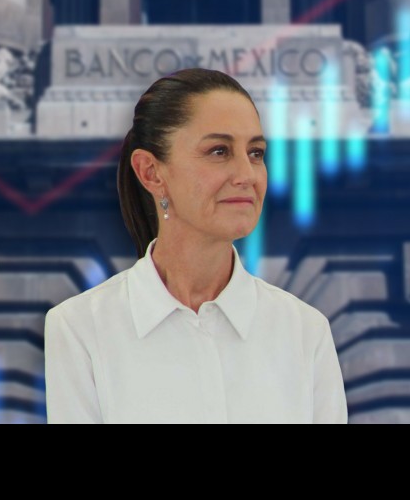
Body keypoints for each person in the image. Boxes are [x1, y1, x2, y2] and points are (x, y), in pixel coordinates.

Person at [44, 68, 348, 424]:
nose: (247, 175)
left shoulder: (305, 332)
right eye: (219, 151)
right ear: (151, 172)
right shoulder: (80, 328)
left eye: (255, 153)